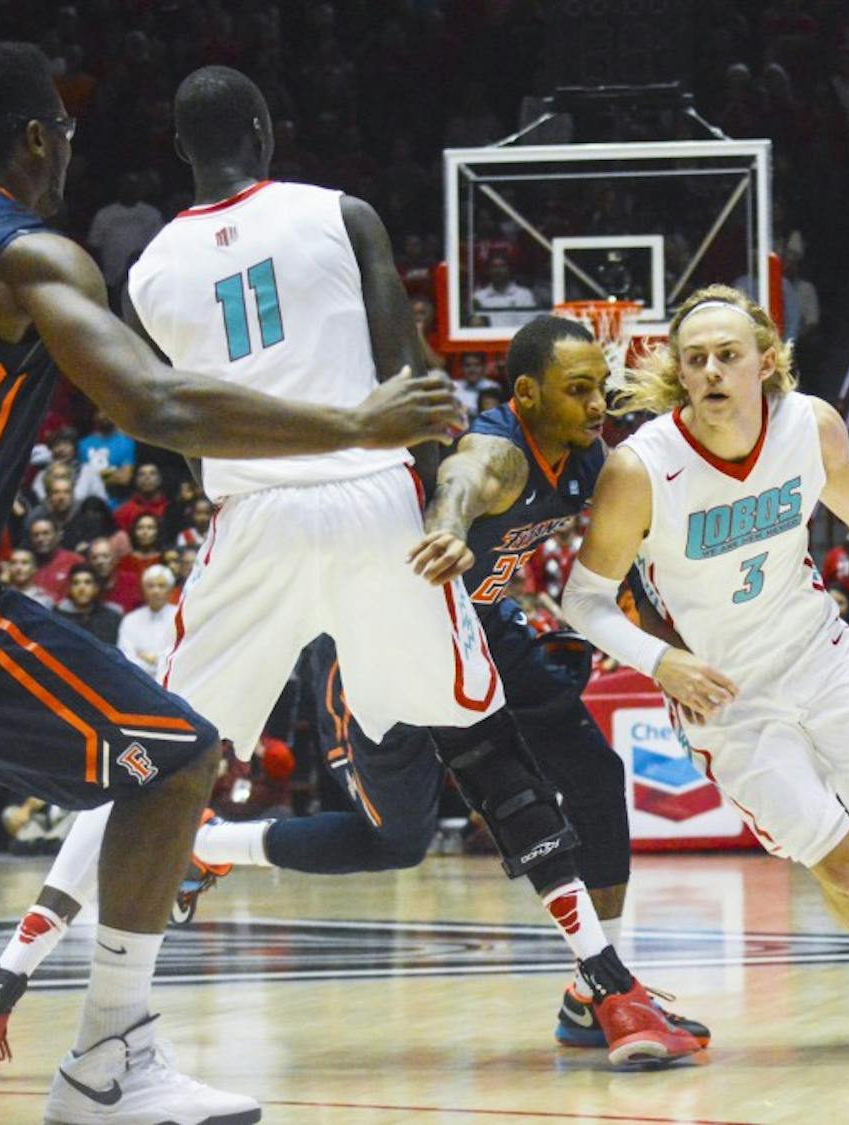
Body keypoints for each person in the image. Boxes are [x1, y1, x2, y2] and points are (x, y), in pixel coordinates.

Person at [0, 66, 698, 1086]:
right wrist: (444, 504)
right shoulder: (341, 214)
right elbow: (413, 378)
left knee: (156, 764)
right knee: (475, 734)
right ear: (266, 129)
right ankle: (612, 993)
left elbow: (168, 409)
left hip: (249, 518)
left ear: (181, 150)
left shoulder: (150, 266)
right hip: (372, 498)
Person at [0, 41, 463, 1124]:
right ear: (41, 137)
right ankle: (109, 1064)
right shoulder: (29, 253)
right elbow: (163, 410)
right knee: (176, 758)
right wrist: (355, 422)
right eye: (68, 136)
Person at [187, 315, 711, 1050]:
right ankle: (213, 845)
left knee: (592, 772)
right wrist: (451, 525)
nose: (598, 405)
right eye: (578, 389)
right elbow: (465, 479)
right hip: (373, 636)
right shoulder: (501, 451)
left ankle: (596, 988)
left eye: (603, 387)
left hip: (482, 625)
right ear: (526, 394)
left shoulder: (589, 459)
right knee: (396, 841)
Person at [561, 284, 849, 1044]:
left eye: (728, 354)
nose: (712, 370)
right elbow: (584, 599)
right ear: (681, 374)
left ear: (767, 361)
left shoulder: (809, 424)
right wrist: (661, 662)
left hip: (819, 652)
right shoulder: (641, 467)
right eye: (695, 360)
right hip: (728, 700)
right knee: (835, 859)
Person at [116, 564, 178, 678]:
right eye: (150, 586)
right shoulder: (130, 620)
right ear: (143, 589)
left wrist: (152, 659)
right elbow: (126, 658)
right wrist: (157, 662)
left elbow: (178, 657)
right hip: (138, 682)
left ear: (170, 590)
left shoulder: (179, 617)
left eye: (161, 585)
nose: (155, 591)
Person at [56, 562, 124, 646]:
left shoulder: (112, 618)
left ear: (96, 588)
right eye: (76, 583)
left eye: (87, 582)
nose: (81, 588)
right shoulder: (58, 619)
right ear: (70, 589)